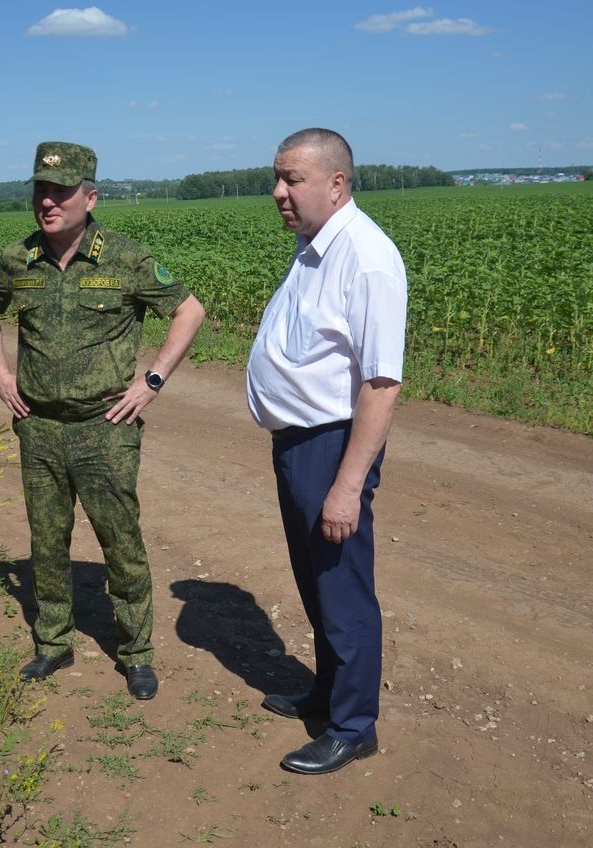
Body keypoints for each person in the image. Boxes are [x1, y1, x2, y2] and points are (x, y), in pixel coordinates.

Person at [0, 141, 205, 700]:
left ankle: (137, 651)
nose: (48, 202)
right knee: (47, 539)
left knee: (119, 538)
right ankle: (52, 642)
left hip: (105, 426)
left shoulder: (125, 258)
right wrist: (2, 374)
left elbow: (188, 309)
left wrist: (150, 382)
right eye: (40, 191)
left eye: (61, 191)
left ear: (91, 196)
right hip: (39, 426)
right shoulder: (17, 260)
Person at [246, 129, 407, 775]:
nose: (279, 192)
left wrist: (346, 484)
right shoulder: (314, 247)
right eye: (277, 178)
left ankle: (353, 725)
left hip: (331, 445)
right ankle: (328, 689)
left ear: (337, 182)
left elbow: (380, 383)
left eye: (293, 179)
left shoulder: (365, 257)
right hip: (298, 443)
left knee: (342, 590)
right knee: (316, 584)